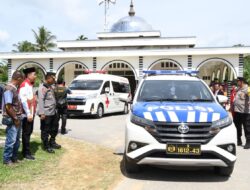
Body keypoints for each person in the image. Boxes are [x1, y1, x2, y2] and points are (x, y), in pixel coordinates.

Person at [2, 71, 24, 165]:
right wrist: (15, 118)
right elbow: (8, 106)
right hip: (12, 118)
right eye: (22, 79)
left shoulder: (14, 88)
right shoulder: (9, 89)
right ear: (18, 79)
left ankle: (14, 157)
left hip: (17, 118)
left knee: (17, 139)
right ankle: (7, 159)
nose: (22, 82)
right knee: (11, 140)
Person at [37, 72, 61, 153]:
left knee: (55, 127)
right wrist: (42, 113)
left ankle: (52, 142)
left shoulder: (51, 86)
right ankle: (46, 145)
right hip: (46, 113)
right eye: (53, 78)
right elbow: (41, 100)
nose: (54, 80)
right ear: (48, 79)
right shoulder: (42, 88)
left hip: (53, 111)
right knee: (45, 130)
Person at [19, 67, 36, 160]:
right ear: (28, 75)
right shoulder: (24, 85)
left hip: (30, 113)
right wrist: (29, 113)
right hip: (26, 114)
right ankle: (26, 153)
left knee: (28, 132)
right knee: (26, 133)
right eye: (34, 74)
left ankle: (25, 151)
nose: (35, 76)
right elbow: (24, 100)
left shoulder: (30, 85)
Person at [233, 77, 250, 149]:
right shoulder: (238, 89)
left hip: (245, 112)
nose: (237, 82)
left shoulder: (247, 89)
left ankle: (248, 142)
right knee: (237, 126)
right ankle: (239, 140)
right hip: (237, 111)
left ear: (242, 82)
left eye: (238, 81)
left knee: (247, 127)